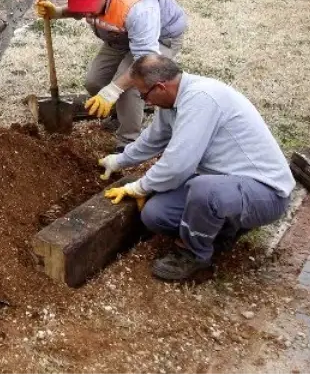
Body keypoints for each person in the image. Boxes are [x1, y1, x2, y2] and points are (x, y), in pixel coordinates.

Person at [100, 55, 294, 282]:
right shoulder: (172, 101)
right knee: (155, 215)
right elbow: (154, 139)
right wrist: (118, 160)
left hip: (265, 193)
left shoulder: (202, 99)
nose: (146, 101)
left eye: (144, 95)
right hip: (222, 183)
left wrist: (140, 187)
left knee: (205, 190)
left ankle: (193, 253)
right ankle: (221, 230)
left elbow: (178, 164)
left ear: (161, 87)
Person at [35, 0, 187, 150]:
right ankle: (123, 114)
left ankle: (128, 141)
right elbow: (82, 5)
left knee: (130, 88)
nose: (87, 14)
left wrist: (113, 91)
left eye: (90, 7)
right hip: (120, 36)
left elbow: (145, 63)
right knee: (94, 81)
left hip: (161, 38)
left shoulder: (139, 8)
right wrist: (59, 12)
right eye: (83, 8)